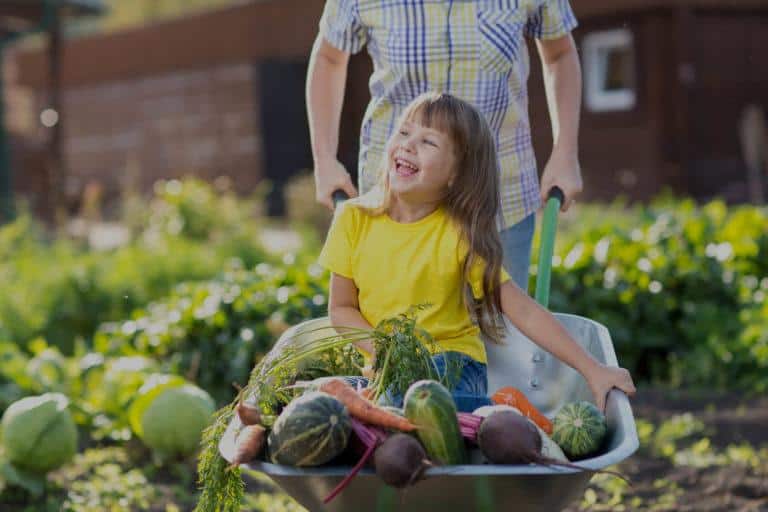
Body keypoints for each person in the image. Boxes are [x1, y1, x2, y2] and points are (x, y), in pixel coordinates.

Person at [317, 92, 634, 413]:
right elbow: (342, 308)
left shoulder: (458, 234)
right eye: (403, 131)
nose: (408, 145)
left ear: (456, 174)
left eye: (428, 142)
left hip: (454, 364)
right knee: (324, 398)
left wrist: (593, 369)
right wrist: (384, 352)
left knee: (415, 397)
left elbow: (521, 310)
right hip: (387, 371)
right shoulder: (354, 218)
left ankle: (495, 414)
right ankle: (445, 419)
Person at [307, 0, 584, 291]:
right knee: (394, 316)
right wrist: (324, 160)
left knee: (504, 317)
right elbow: (329, 58)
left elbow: (560, 54)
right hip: (396, 201)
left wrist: (565, 154)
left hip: (501, 198)